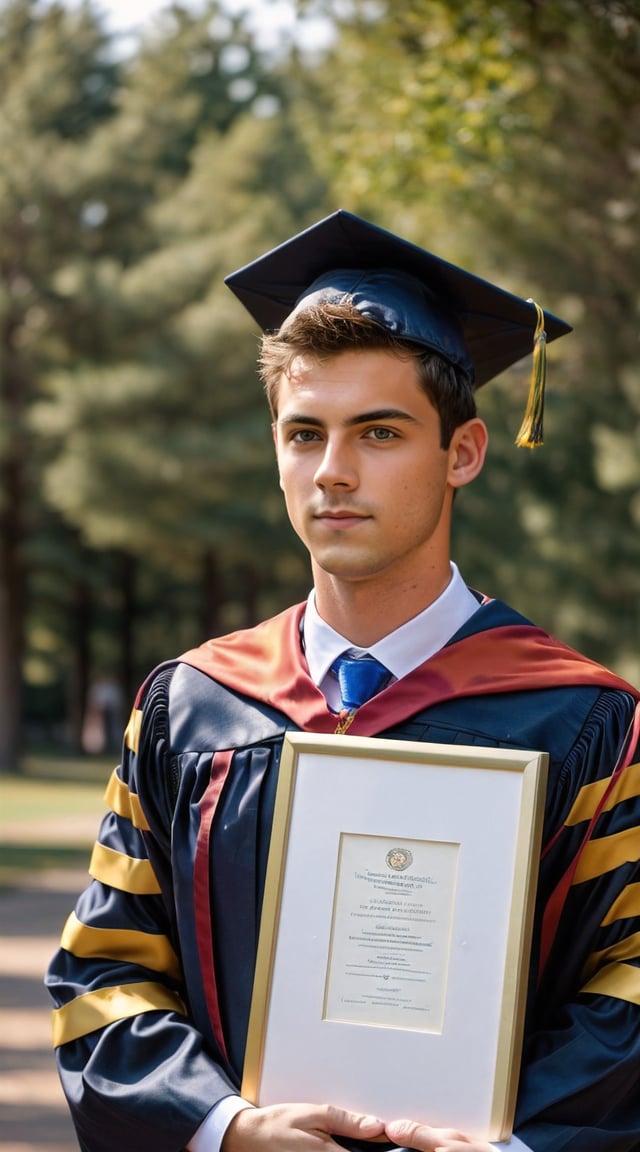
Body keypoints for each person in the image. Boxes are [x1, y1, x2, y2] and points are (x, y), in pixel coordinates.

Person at [46, 210, 640, 1152]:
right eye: (303, 433)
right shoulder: (192, 707)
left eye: (380, 432)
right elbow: (104, 971)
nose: (333, 472)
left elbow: (631, 985)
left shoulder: (584, 722)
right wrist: (224, 1126)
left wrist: (513, 1145)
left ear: (464, 454)